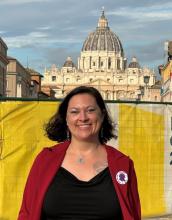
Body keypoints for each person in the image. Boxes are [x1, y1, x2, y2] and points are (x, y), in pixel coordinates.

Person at [18, 86, 141, 220]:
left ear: (102, 115)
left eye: (90, 110)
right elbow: (27, 212)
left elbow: (133, 214)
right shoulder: (45, 160)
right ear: (66, 118)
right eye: (75, 112)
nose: (83, 118)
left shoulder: (123, 164)